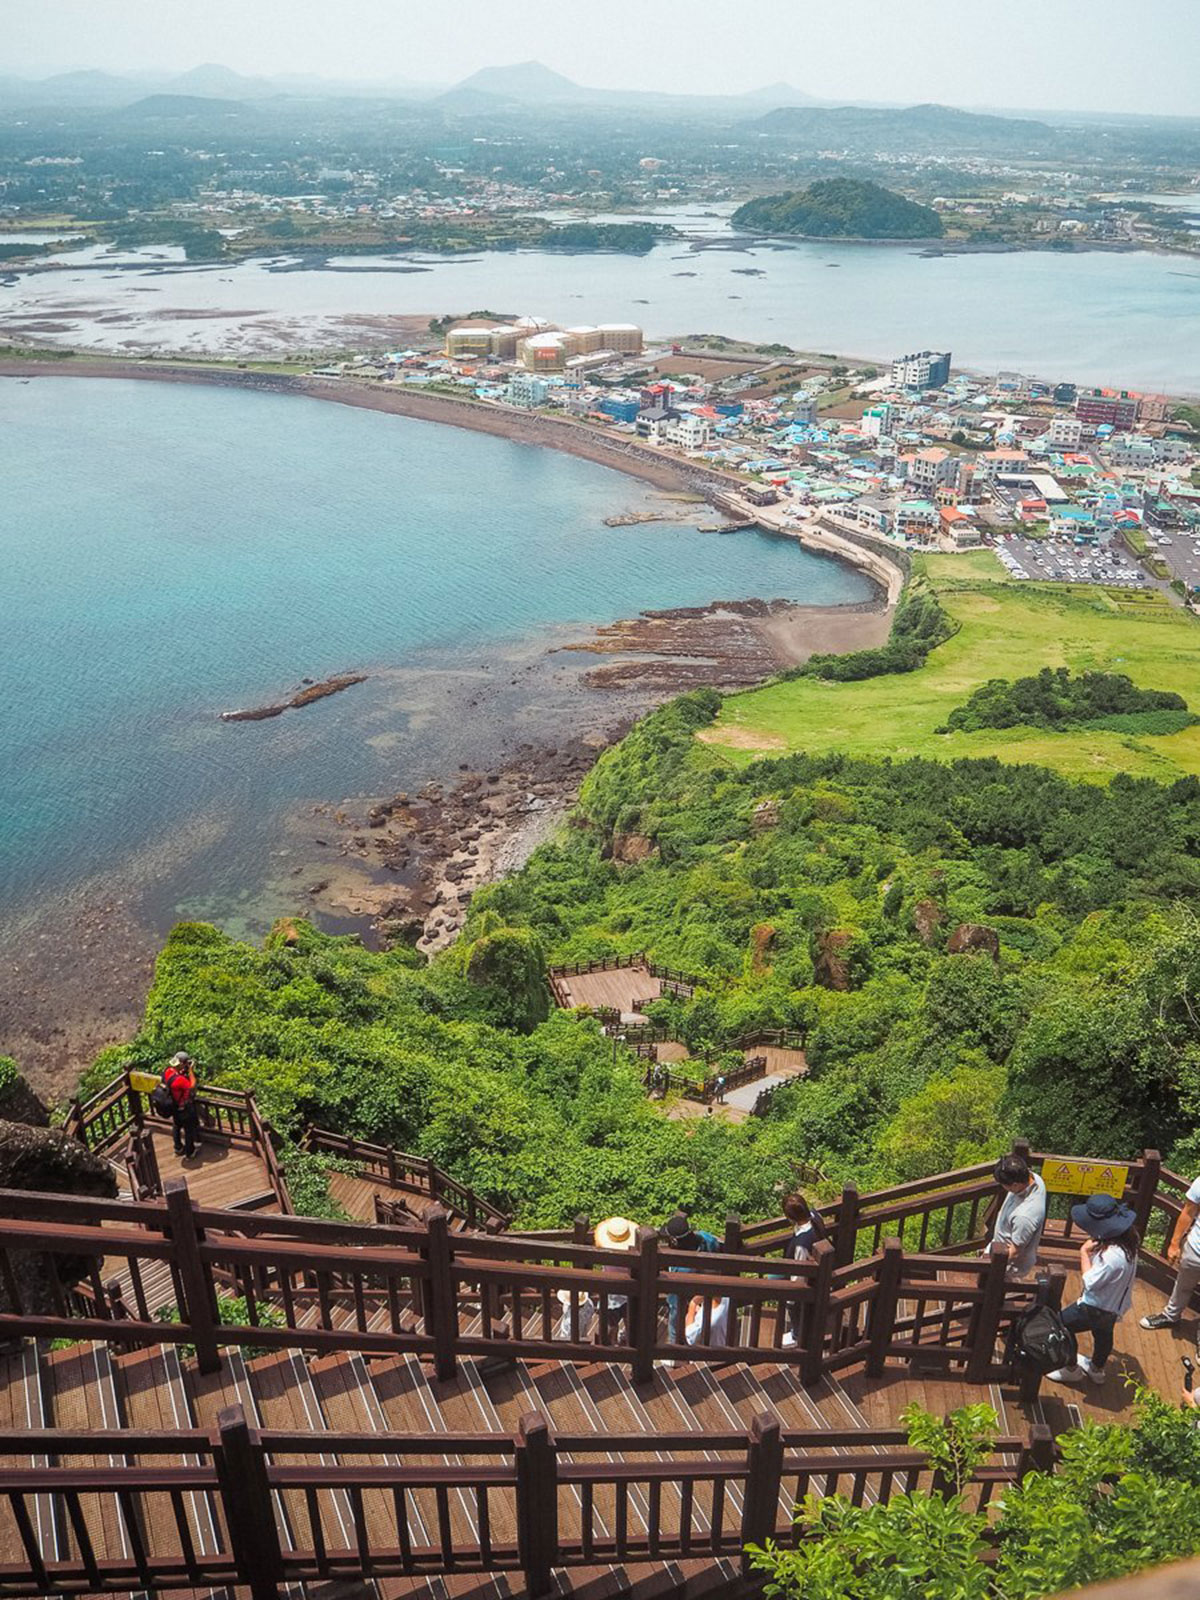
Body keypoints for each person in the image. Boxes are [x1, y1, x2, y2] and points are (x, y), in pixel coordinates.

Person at [1047, 1193, 1139, 1386]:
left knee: (1061, 1325)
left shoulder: (1112, 1257)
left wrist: (1084, 1253)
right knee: (1104, 1334)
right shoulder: (1130, 1244)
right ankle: (1097, 1369)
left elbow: (1090, 1281)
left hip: (1095, 1306)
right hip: (1114, 1306)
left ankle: (1070, 1368)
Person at [1141, 1174, 1200, 1331]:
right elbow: (1188, 1212)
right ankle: (1170, 1316)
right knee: (1183, 1284)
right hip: (1195, 1249)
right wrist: (1174, 1244)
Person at [661, 1211, 720, 1348]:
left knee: (675, 1308)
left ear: (675, 1240)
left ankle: (675, 1344)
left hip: (688, 1296)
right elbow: (716, 1245)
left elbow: (675, 1301)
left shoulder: (682, 1268)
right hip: (709, 1289)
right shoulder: (707, 1239)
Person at [988, 1155, 1048, 1280]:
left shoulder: (1024, 1216)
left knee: (991, 1290)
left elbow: (1015, 1252)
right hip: (998, 1246)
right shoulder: (1034, 1178)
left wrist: (989, 1263)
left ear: (1015, 1185)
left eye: (1003, 1184)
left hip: (1007, 1265)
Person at [780, 1194, 826, 1348]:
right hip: (820, 1269)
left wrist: (792, 1295)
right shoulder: (815, 1216)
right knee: (772, 1277)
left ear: (790, 1217)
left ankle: (797, 1334)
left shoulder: (801, 1243)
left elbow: (799, 1274)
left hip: (807, 1278)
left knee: (793, 1307)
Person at [594, 1216, 639, 1341]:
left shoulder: (607, 1254)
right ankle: (631, 1342)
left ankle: (611, 1346)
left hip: (611, 1292)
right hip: (630, 1289)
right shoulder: (632, 1254)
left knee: (610, 1323)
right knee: (630, 1319)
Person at [163, 1051, 200, 1159]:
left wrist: (183, 1070)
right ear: (183, 1063)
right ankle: (190, 1152)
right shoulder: (180, 1080)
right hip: (184, 1108)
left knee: (176, 1126)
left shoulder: (168, 1071)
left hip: (174, 1106)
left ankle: (178, 1147)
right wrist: (191, 1071)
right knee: (188, 1130)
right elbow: (192, 1085)